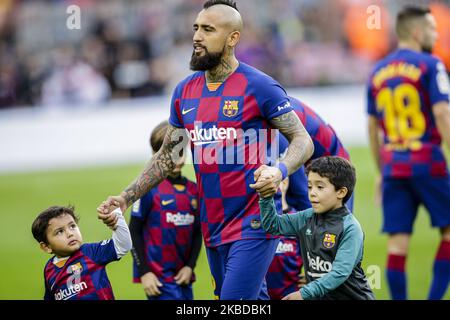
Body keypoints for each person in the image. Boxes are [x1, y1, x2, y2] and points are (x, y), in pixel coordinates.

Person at [98, 0, 314, 300]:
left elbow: (303, 140)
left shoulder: (260, 86)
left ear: (232, 38)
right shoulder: (184, 91)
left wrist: (278, 171)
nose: (197, 36)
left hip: (254, 221)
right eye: (196, 28)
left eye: (208, 29)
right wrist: (125, 197)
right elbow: (167, 157)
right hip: (212, 224)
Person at [366, 6, 450, 300]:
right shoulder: (431, 64)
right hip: (428, 162)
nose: (437, 34)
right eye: (432, 29)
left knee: (397, 245)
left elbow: (372, 127)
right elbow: (442, 114)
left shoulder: (377, 71)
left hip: (393, 167)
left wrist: (381, 171)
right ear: (417, 32)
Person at [260, 156, 375, 300]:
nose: (312, 192)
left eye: (320, 187)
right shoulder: (306, 217)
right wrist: (265, 196)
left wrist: (304, 293)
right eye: (309, 186)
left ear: (341, 192)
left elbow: (339, 273)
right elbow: (273, 225)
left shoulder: (350, 228)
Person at [129, 121, 202, 300]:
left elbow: (197, 232)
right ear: (156, 154)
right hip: (158, 279)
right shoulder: (148, 190)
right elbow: (133, 232)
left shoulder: (195, 190)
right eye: (170, 153)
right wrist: (144, 272)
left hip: (183, 277)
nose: (176, 158)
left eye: (181, 152)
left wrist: (190, 266)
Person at [31, 206, 132, 300]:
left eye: (72, 226)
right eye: (60, 232)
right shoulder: (49, 269)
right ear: (46, 247)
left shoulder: (91, 252)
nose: (70, 233)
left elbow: (123, 246)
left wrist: (116, 218)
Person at [265, 177, 305, 300]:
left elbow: (316, 254)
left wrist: (312, 277)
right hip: (261, 295)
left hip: (291, 295)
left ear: (285, 182)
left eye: (273, 179)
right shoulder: (255, 221)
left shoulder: (300, 221)